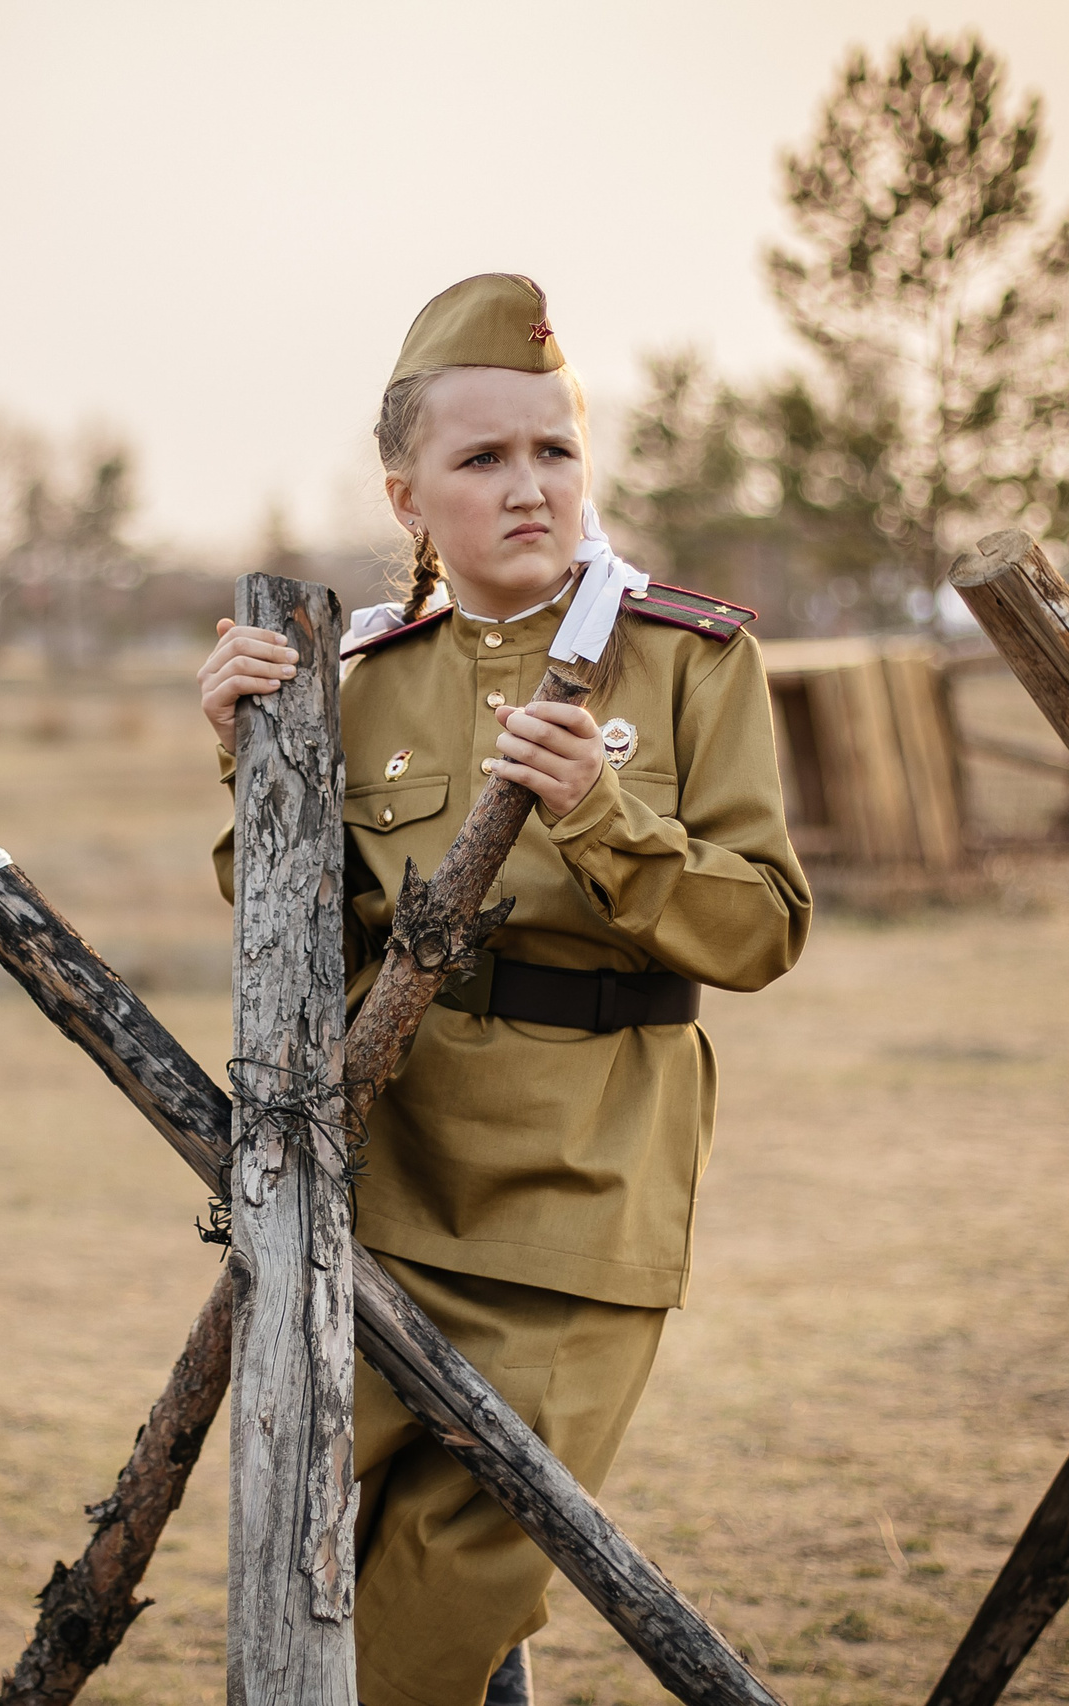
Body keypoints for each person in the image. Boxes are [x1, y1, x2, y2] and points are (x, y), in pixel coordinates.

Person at [197, 274, 812, 1706]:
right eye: (484, 459)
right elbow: (295, 941)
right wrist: (254, 758)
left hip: (582, 1211)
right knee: (301, 1571)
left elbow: (765, 927)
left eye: (554, 449)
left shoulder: (688, 658)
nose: (529, 488)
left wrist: (602, 816)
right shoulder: (355, 678)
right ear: (407, 494)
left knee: (421, 1628)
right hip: (386, 1198)